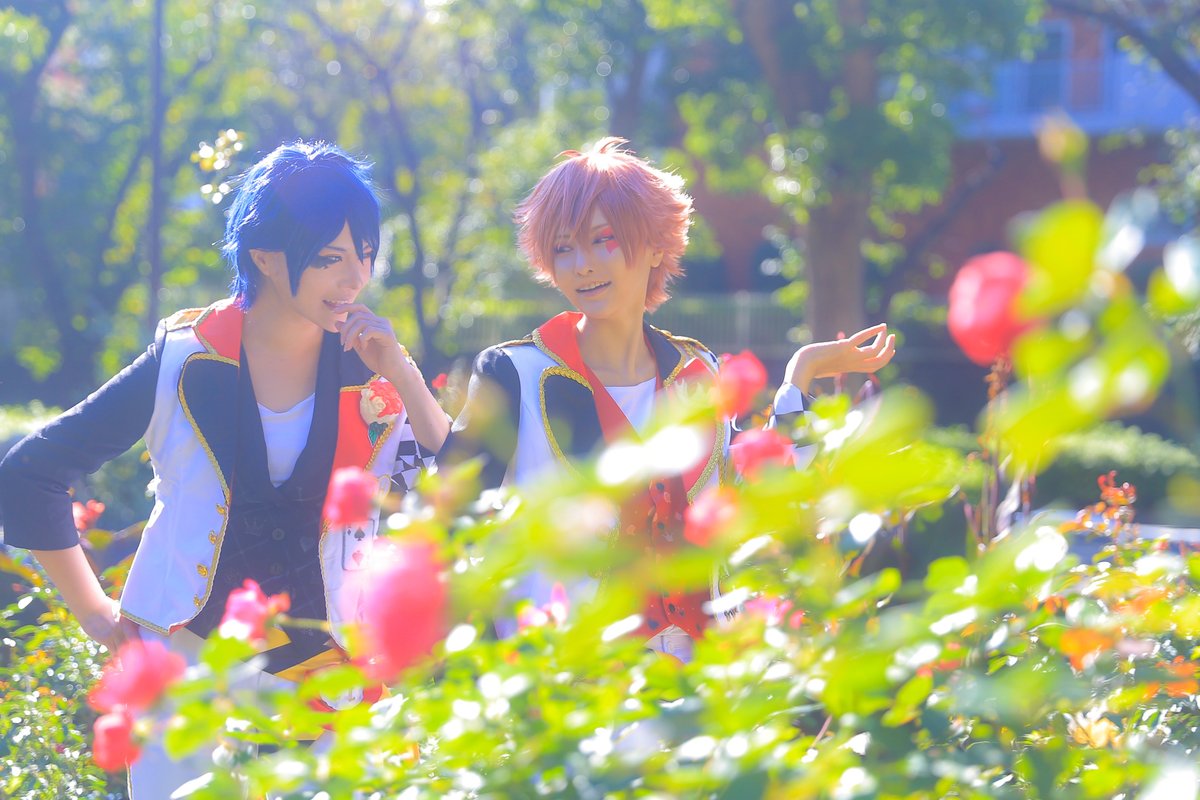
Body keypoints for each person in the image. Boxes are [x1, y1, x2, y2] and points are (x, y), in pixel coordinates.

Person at [0, 140, 448, 795]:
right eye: (329, 258)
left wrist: (404, 373)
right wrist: (95, 612)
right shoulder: (184, 359)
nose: (355, 278)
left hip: (326, 660)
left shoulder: (374, 366)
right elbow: (29, 475)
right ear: (265, 256)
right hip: (185, 653)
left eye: (365, 253)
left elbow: (458, 479)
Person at [442, 137, 895, 661]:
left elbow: (757, 499)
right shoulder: (516, 373)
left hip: (698, 674)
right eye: (563, 248)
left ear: (656, 245)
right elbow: (445, 521)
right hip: (572, 679)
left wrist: (802, 375)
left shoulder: (698, 373)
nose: (582, 264)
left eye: (603, 239)